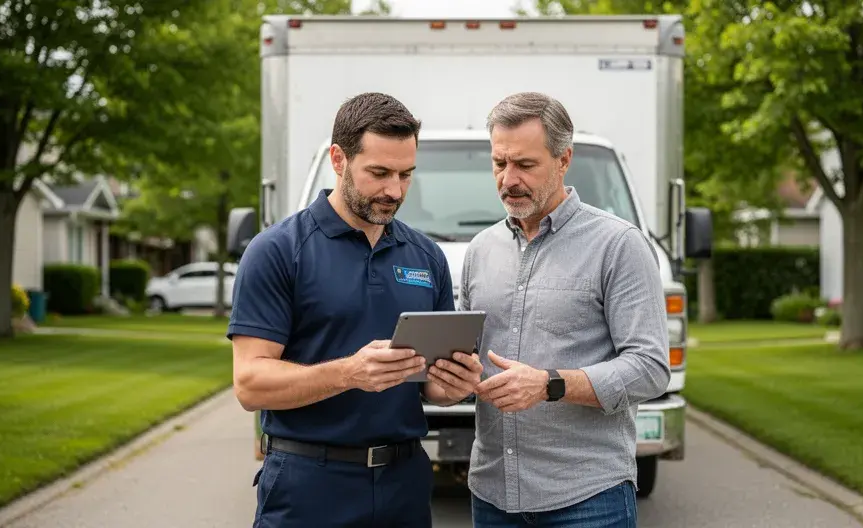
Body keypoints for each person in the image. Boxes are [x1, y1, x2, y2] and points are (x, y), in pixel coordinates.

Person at [227, 92, 484, 528]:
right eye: (379, 173)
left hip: (404, 485)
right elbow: (250, 384)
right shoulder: (278, 250)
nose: (394, 191)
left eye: (406, 175)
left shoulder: (426, 257)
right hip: (308, 486)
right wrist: (350, 373)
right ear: (338, 159)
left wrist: (454, 385)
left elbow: (431, 387)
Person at [458, 91, 671, 527]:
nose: (509, 179)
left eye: (525, 164)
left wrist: (549, 384)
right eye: (499, 163)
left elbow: (650, 367)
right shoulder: (480, 250)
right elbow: (470, 358)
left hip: (588, 498)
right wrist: (451, 376)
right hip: (493, 494)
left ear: (563, 160)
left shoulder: (619, 245)